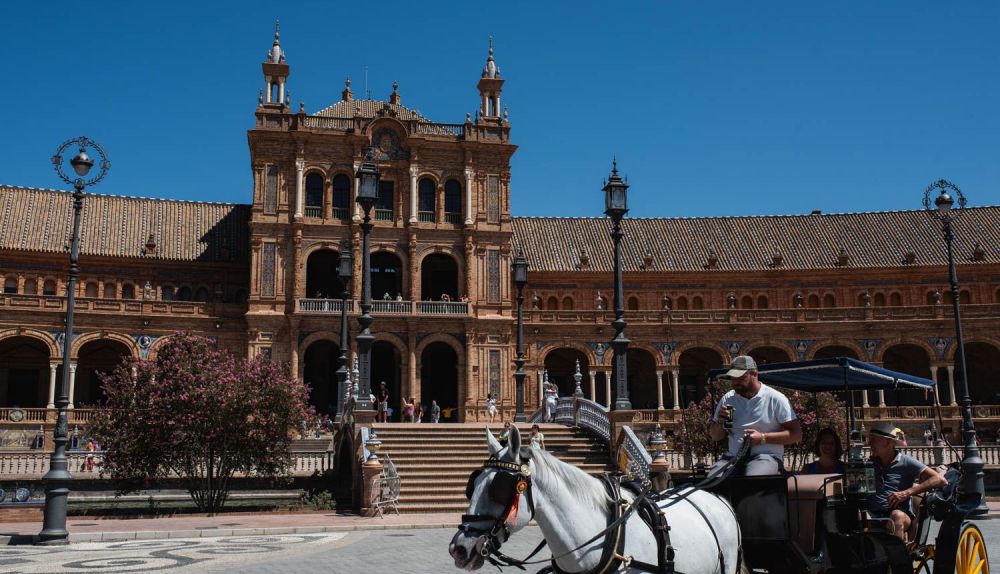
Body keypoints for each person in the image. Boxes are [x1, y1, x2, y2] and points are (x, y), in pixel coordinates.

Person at [708, 355, 802, 476]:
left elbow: (796, 435)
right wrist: (720, 422)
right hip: (733, 458)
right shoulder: (729, 400)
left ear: (754, 374)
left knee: (753, 479)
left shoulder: (774, 399)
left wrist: (762, 438)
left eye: (741, 377)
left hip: (766, 457)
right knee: (713, 478)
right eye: (732, 377)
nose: (735, 382)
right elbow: (716, 436)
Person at [867, 422, 946, 541]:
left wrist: (907, 493)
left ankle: (897, 557)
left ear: (888, 443)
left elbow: (940, 479)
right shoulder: (869, 464)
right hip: (871, 514)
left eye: (874, 440)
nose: (869, 444)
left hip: (900, 513)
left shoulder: (906, 461)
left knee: (896, 516)